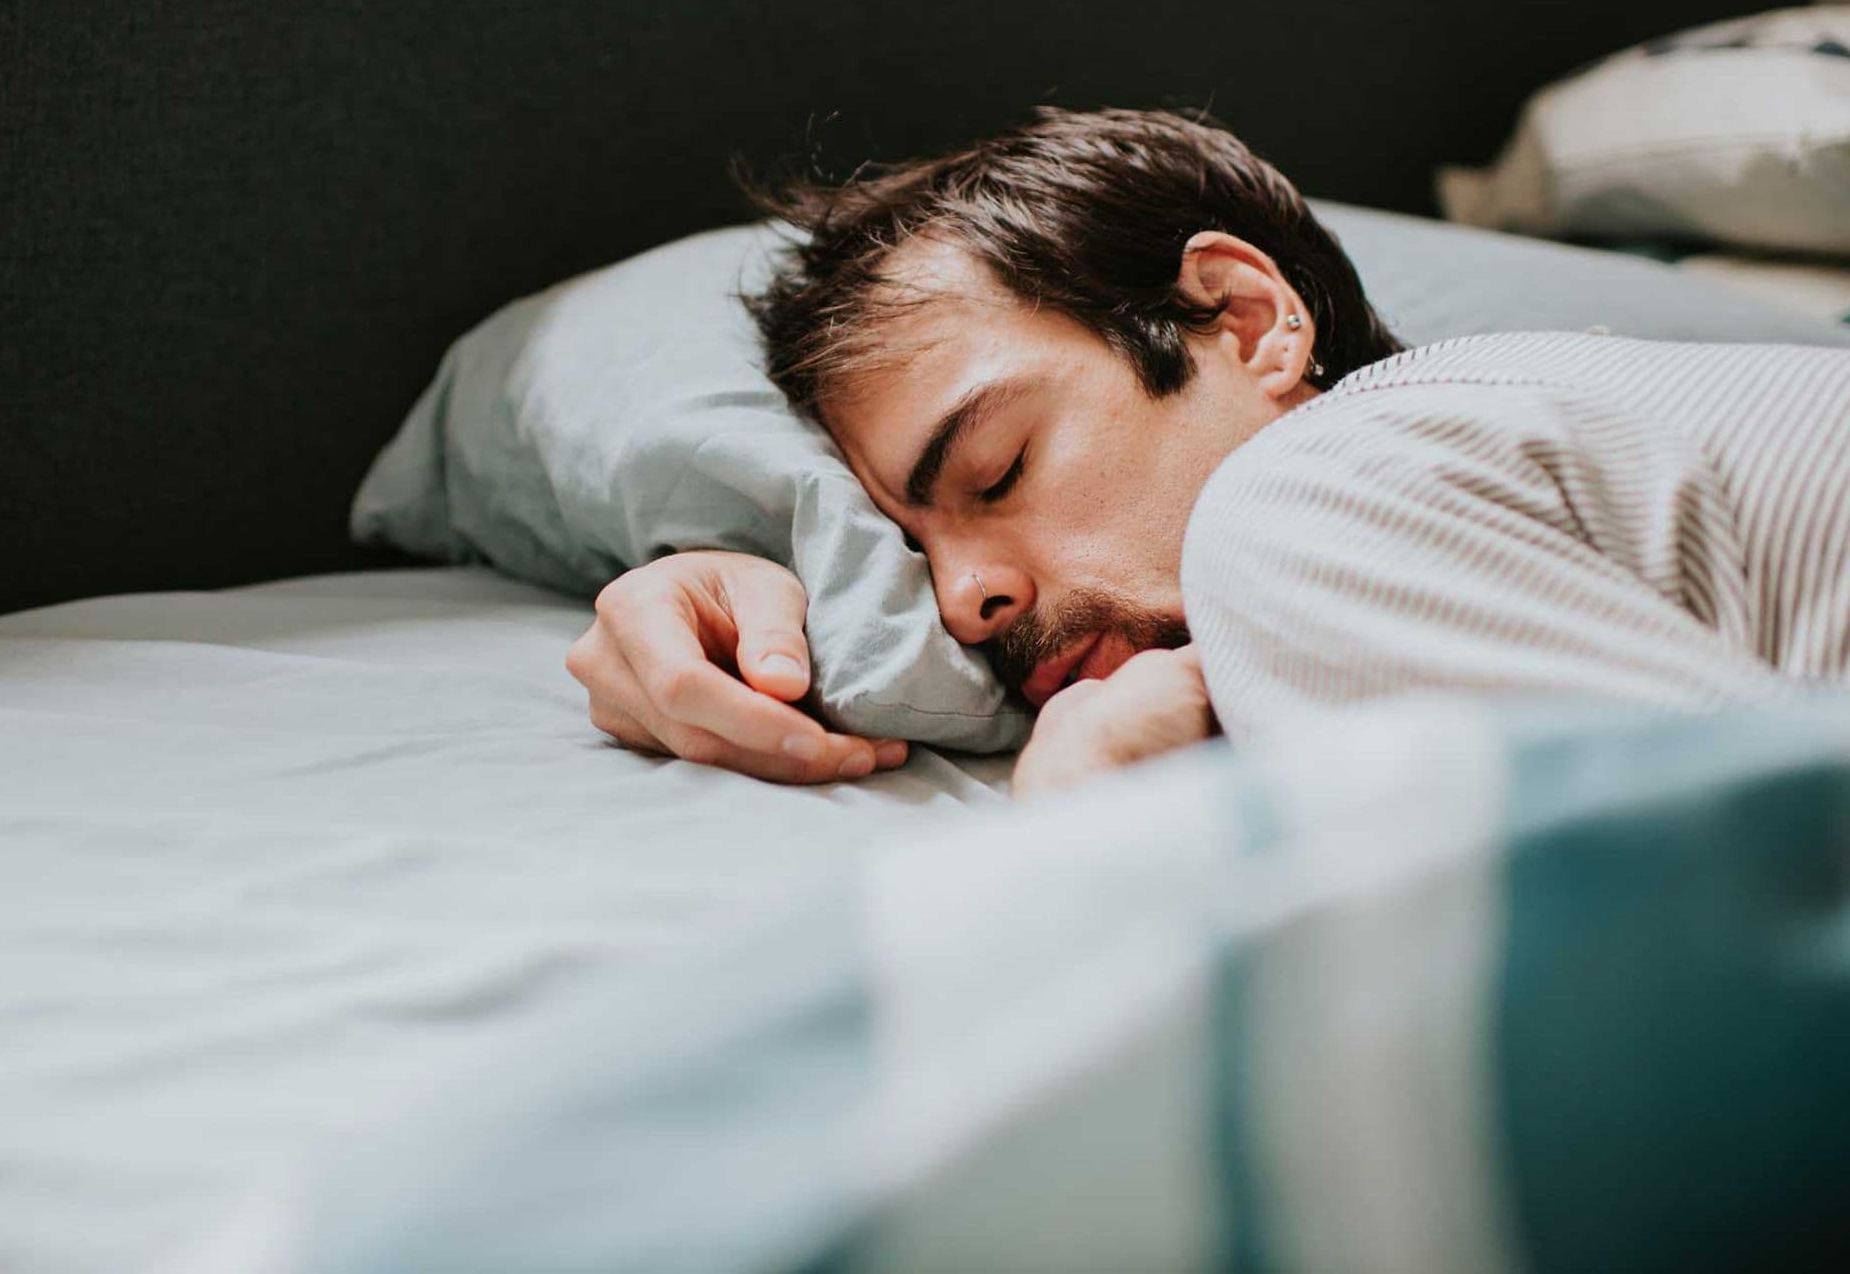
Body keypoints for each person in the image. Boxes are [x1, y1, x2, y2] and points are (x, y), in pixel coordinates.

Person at [565, 107, 1850, 798]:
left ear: (1244, 321)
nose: (961, 603)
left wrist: (1087, 824)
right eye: (909, 551)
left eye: (998, 471)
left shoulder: (1299, 499)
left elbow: (1715, 965)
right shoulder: (1549, 438)